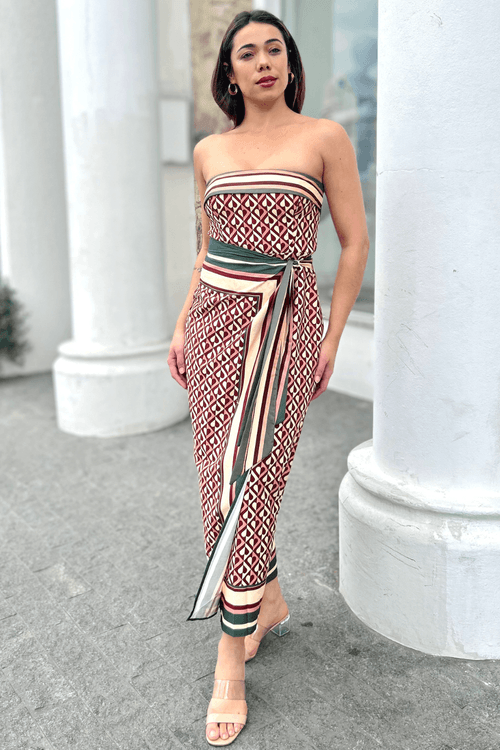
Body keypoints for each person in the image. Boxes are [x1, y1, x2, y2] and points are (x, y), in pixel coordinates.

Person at [168, 9, 369, 746]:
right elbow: (205, 249)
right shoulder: (209, 150)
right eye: (247, 53)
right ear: (229, 72)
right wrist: (183, 323)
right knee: (217, 479)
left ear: (289, 62)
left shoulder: (324, 137)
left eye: (273, 49)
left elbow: (353, 244)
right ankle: (268, 601)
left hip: (286, 324)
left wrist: (331, 336)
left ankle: (229, 658)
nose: (262, 62)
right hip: (214, 322)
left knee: (253, 478)